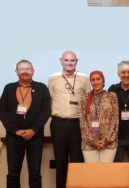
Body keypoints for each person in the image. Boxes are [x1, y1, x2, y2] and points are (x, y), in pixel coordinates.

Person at [0, 59, 51, 188]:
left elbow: (46, 111)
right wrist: (14, 130)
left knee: (35, 174)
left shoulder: (41, 88)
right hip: (14, 136)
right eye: (22, 69)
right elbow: (2, 111)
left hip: (35, 136)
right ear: (16, 72)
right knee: (12, 174)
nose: (25, 71)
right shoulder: (9, 88)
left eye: (28, 69)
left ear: (33, 71)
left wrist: (34, 130)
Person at [48, 50, 90, 188]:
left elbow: (89, 101)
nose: (69, 63)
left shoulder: (84, 78)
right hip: (58, 123)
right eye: (66, 60)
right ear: (61, 61)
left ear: (76, 62)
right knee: (60, 162)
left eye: (72, 60)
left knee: (77, 161)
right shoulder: (53, 78)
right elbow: (50, 100)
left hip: (77, 124)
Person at [79, 70, 119, 162]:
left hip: (108, 143)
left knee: (105, 173)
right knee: (92, 173)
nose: (96, 82)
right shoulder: (85, 98)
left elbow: (115, 120)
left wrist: (106, 140)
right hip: (89, 144)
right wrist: (92, 141)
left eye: (98, 79)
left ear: (103, 80)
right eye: (93, 80)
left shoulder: (111, 96)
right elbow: (82, 121)